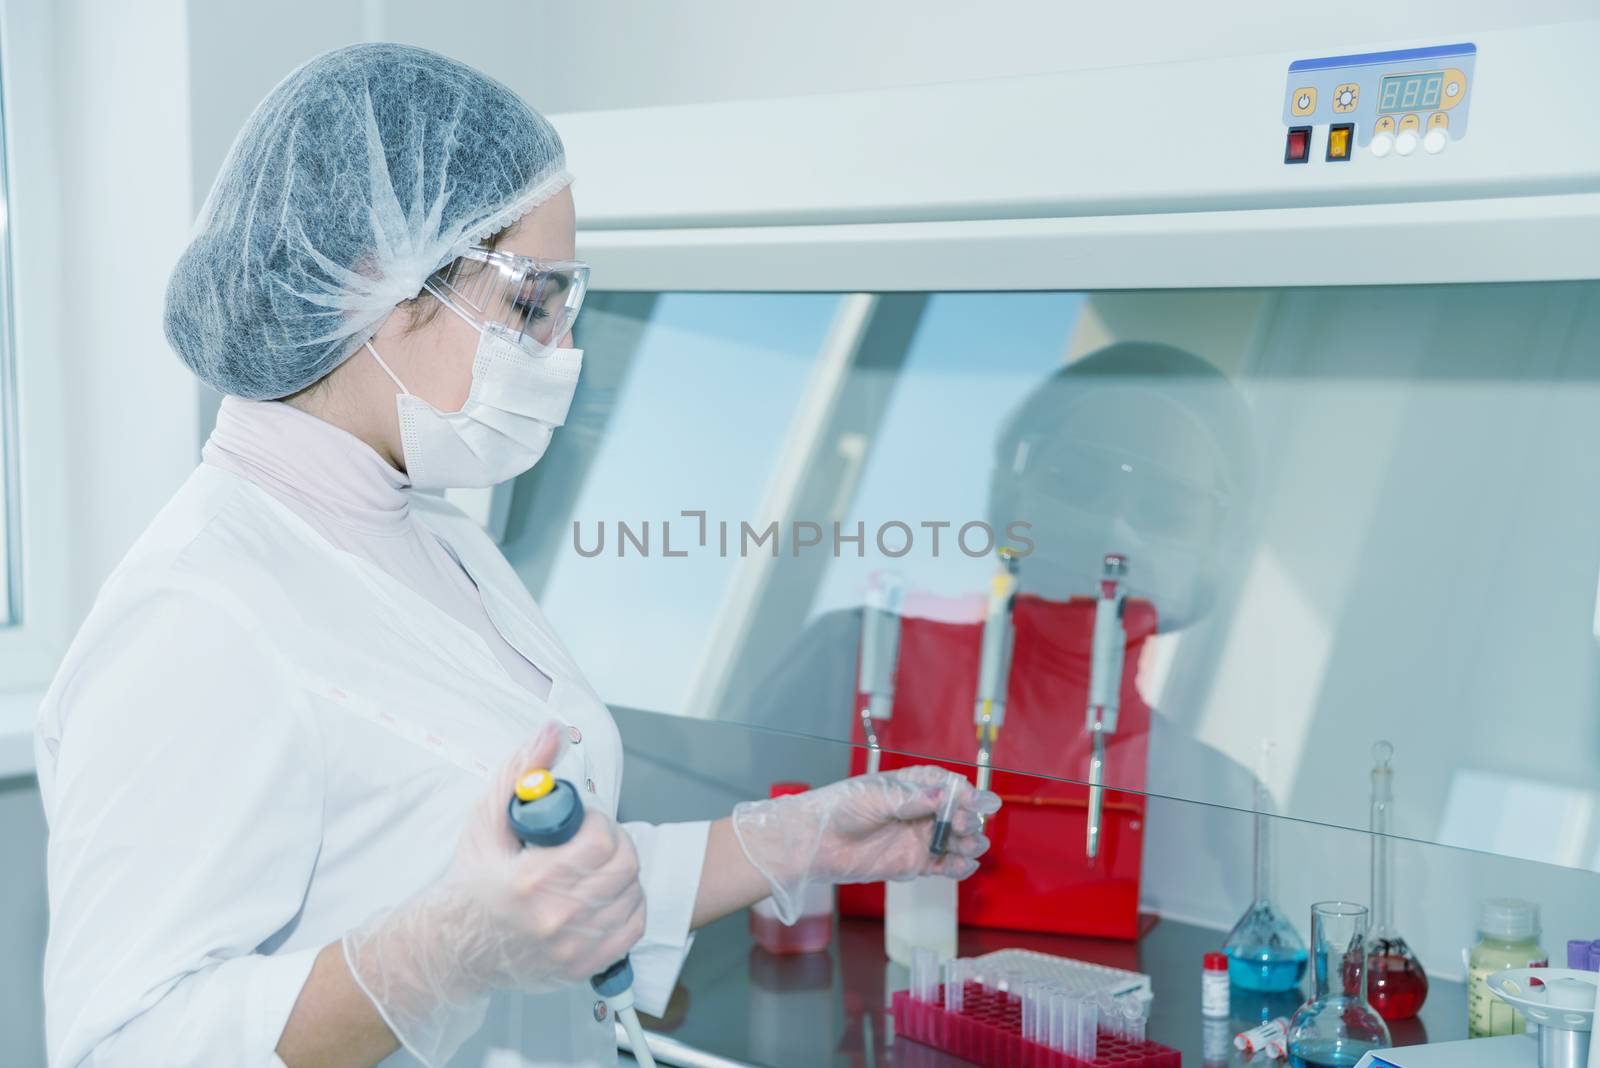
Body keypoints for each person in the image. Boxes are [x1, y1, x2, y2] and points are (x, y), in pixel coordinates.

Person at [32, 44, 999, 1068]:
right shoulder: (197, 614)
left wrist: (795, 843)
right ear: (378, 277)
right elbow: (118, 1045)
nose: (556, 355)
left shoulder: (428, 529)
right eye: (529, 306)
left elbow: (540, 873)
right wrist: (431, 957)